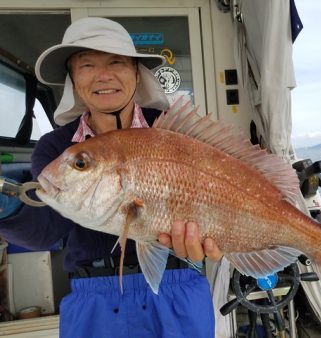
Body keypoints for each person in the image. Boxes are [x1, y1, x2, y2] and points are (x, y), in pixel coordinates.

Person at [0, 17, 222, 338]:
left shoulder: (178, 132)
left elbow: (224, 198)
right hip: (94, 296)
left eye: (116, 61)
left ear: (136, 72)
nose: (103, 75)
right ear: (73, 80)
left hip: (180, 287)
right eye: (87, 65)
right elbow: (49, 228)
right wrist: (8, 212)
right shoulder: (57, 147)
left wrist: (224, 237)